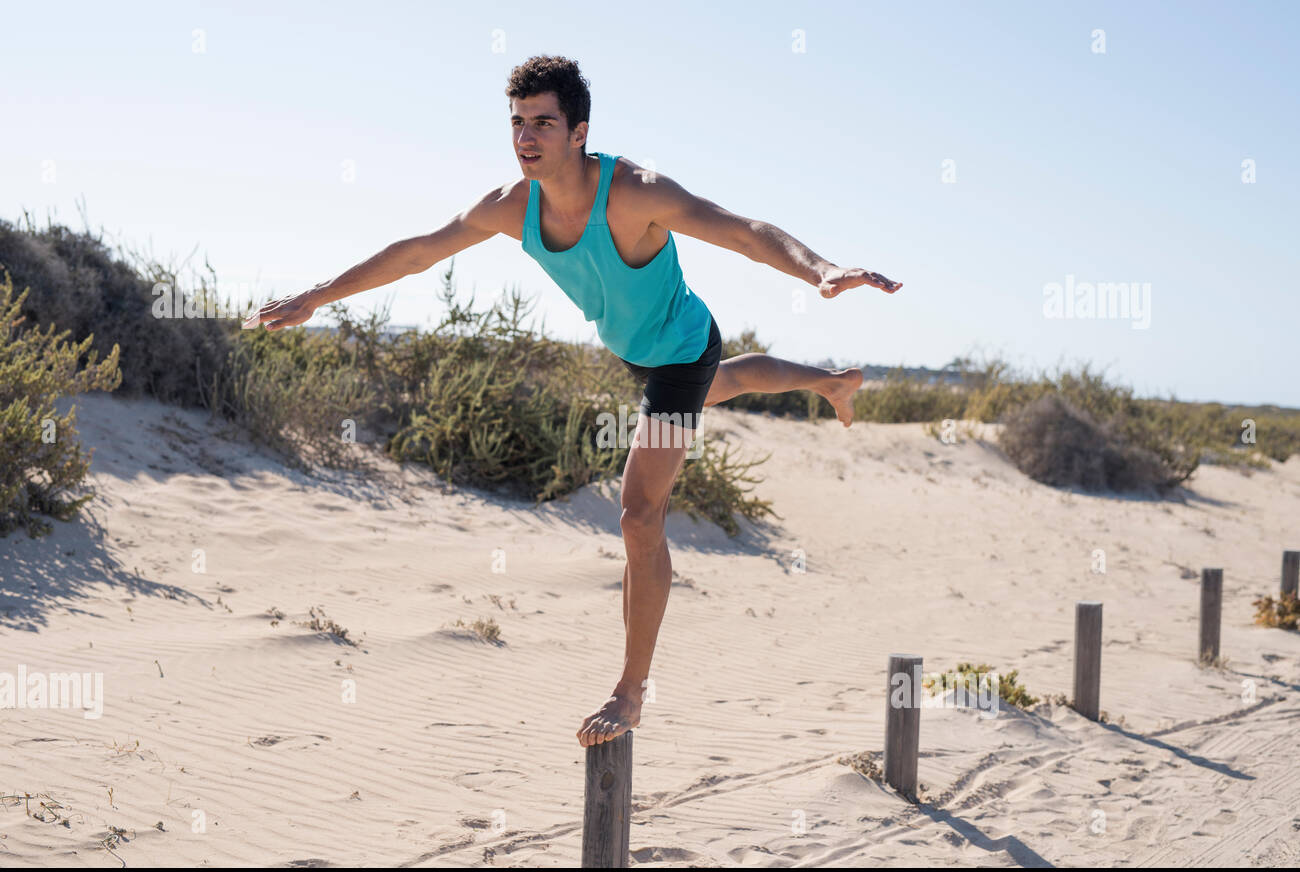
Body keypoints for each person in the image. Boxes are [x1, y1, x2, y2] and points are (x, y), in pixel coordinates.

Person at [242, 54, 902, 748]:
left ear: (578, 131)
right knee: (729, 381)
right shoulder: (508, 206)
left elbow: (740, 229)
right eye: (518, 123)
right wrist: (316, 295)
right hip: (638, 352)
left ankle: (632, 688)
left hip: (678, 347)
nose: (527, 137)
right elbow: (417, 253)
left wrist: (820, 269)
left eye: (544, 124)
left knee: (639, 514)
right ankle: (830, 382)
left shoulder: (635, 192)